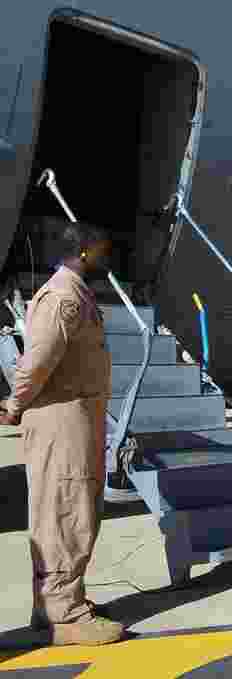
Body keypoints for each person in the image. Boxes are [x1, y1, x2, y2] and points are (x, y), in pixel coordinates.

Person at [0, 221, 125, 645]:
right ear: (85, 251)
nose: (107, 254)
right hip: (61, 420)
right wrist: (15, 405)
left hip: (76, 417)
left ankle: (54, 604)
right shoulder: (63, 297)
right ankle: (64, 615)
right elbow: (37, 361)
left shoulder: (75, 292)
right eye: (102, 248)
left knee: (70, 509)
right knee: (66, 511)